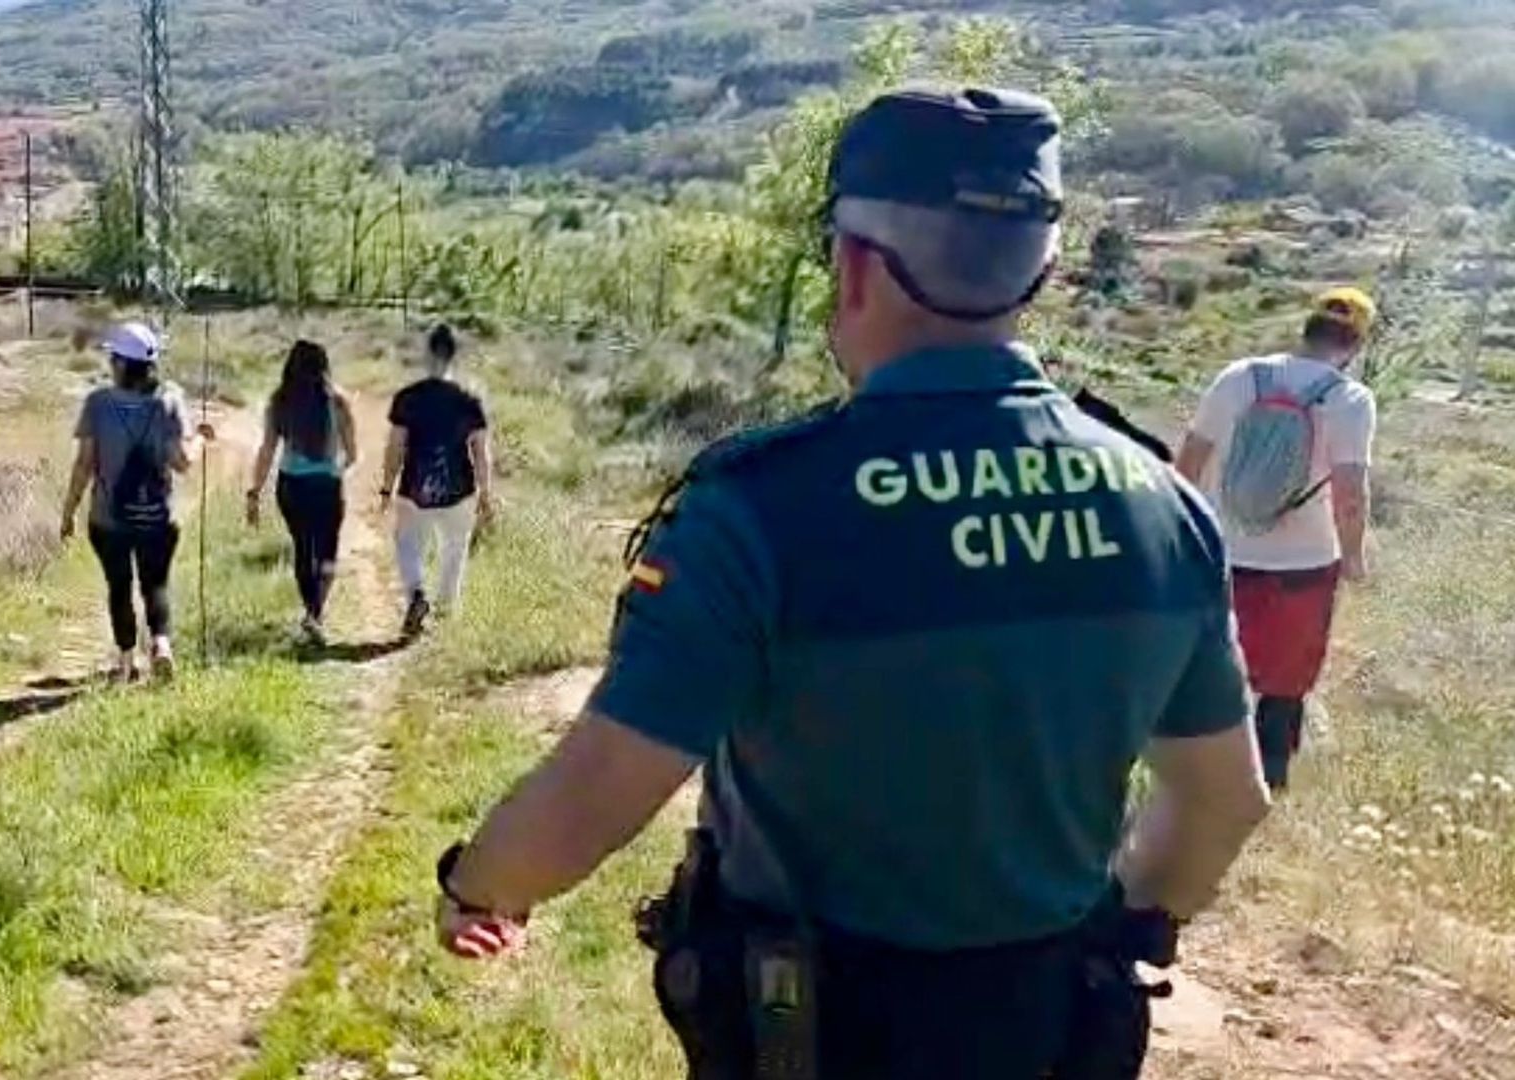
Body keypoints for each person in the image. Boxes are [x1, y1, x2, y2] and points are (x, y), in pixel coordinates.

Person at [431, 87, 1272, 1079]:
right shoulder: (1162, 506)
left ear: (854, 263)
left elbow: (603, 787)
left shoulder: (760, 509)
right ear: (1039, 271)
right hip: (1046, 1025)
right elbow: (1223, 802)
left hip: (812, 1031)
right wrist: (1120, 928)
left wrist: (479, 887)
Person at [1175, 288, 1379, 790]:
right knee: (1286, 680)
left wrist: (1181, 534)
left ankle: (1192, 778)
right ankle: (1267, 782)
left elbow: (1188, 463)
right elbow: (1349, 494)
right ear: (1354, 348)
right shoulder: (1349, 399)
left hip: (1224, 554)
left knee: (1214, 665)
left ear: (1305, 330)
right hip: (1303, 566)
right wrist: (1353, 557)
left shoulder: (1241, 377)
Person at [60, 322, 201, 683]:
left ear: (120, 363)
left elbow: (84, 464)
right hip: (159, 516)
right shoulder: (168, 401)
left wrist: (70, 510)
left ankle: (127, 663)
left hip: (109, 517)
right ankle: (162, 645)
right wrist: (200, 440)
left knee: (119, 587)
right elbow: (182, 462)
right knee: (155, 584)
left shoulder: (98, 404)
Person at [378, 324, 495, 638]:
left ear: (428, 355)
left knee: (407, 544)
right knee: (455, 549)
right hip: (460, 490)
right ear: (454, 356)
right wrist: (486, 493)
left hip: (414, 487)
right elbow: (481, 452)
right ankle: (445, 613)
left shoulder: (407, 398)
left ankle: (416, 593)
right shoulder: (470, 400)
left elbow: (395, 447)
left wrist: (386, 487)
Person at [247, 340, 359, 647]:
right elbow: (352, 453)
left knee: (302, 548)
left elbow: (267, 450)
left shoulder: (279, 401)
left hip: (291, 486)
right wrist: (336, 468)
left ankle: (311, 609)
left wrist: (254, 492)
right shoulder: (338, 401)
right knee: (326, 553)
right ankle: (316, 612)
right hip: (327, 485)